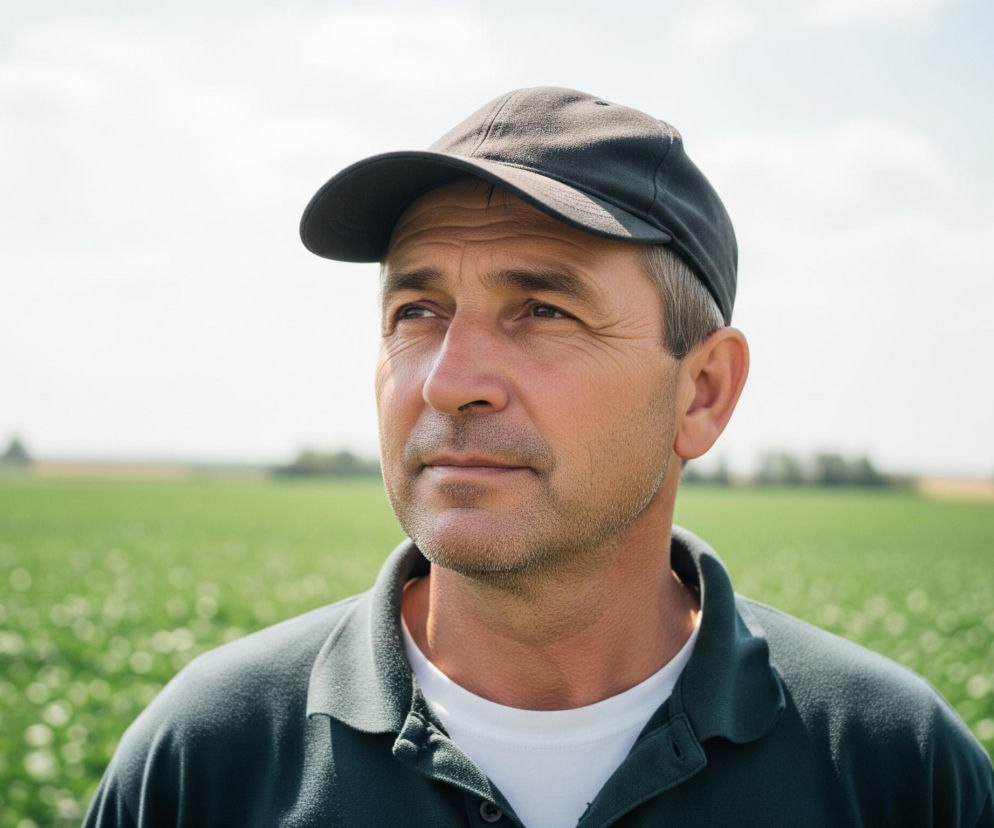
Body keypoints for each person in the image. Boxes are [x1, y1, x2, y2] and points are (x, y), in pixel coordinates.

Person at [84, 87, 993, 827]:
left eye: (543, 310)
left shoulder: (893, 768)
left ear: (703, 391)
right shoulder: (208, 755)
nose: (449, 382)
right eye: (416, 312)